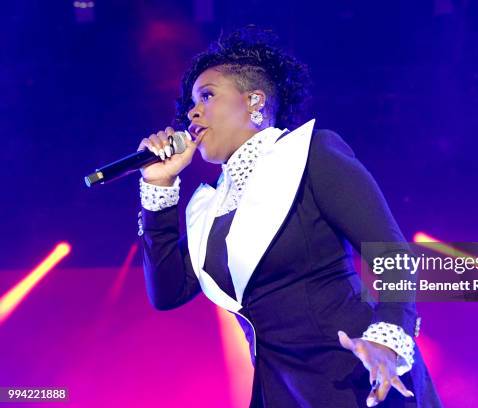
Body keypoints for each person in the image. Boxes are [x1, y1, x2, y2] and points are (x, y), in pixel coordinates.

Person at [137, 28, 442, 408]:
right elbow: (166, 294)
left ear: (254, 101)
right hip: (281, 393)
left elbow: (392, 254)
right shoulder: (212, 208)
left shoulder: (309, 155)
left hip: (358, 381)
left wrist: (389, 332)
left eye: (207, 96)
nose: (192, 112)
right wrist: (159, 189)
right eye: (192, 103)